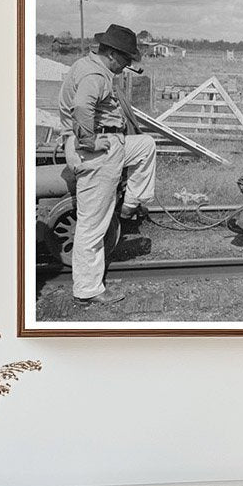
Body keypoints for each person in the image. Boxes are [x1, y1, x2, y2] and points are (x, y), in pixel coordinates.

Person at [58, 23, 157, 304]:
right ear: (112, 54)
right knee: (93, 224)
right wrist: (88, 142)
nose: (127, 65)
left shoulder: (89, 66)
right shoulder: (94, 75)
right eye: (126, 59)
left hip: (112, 145)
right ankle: (88, 290)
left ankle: (129, 205)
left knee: (146, 146)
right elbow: (82, 107)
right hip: (98, 153)